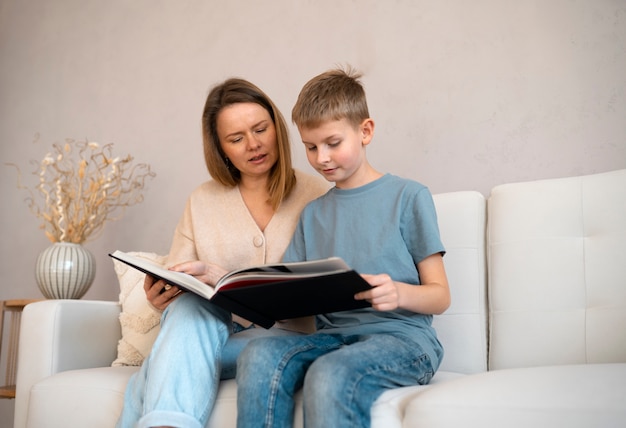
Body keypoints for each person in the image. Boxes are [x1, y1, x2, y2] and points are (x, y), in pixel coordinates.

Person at [236, 67, 451, 428]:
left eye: (333, 143)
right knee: (257, 352)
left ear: (365, 131)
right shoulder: (312, 214)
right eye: (310, 147)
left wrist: (397, 293)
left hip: (401, 340)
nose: (321, 158)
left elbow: (440, 296)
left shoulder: (408, 196)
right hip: (332, 339)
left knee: (330, 372)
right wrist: (259, 295)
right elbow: (289, 302)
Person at [116, 78, 329, 428]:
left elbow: (328, 286)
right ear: (221, 149)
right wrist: (160, 297)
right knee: (187, 306)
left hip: (288, 339)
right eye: (236, 139)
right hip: (215, 335)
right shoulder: (202, 200)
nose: (254, 145)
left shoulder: (317, 193)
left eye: (261, 129)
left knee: (156, 368)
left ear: (277, 126)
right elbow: (179, 276)